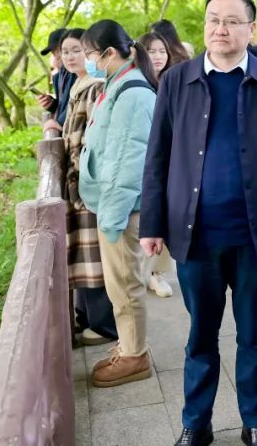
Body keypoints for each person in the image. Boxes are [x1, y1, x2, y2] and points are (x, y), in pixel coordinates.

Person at [140, 0, 257, 446]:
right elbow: (157, 157)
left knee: (252, 334)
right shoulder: (177, 81)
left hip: (255, 237)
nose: (221, 28)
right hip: (195, 237)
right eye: (214, 19)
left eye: (232, 21)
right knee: (200, 335)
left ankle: (255, 422)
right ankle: (197, 423)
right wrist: (152, 224)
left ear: (251, 29)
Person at [78, 20, 158, 389]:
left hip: (122, 209)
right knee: (120, 284)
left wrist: (111, 217)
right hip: (115, 205)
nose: (88, 62)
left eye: (90, 55)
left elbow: (126, 164)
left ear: (110, 53)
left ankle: (135, 355)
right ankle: (129, 345)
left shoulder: (132, 94)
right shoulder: (117, 84)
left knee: (125, 284)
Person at [59, 28, 119, 346]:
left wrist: (84, 176)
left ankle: (105, 325)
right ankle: (87, 316)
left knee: (93, 253)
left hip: (87, 183)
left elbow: (96, 139)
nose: (70, 56)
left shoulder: (95, 86)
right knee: (82, 251)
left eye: (77, 50)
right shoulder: (77, 84)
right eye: (65, 51)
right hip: (76, 183)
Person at [138, 31, 190, 300]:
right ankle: (145, 273)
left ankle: (157, 274)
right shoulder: (138, 84)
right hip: (144, 162)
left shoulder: (174, 80)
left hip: (171, 162)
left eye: (162, 51)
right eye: (151, 51)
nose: (158, 56)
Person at [38, 28, 76, 131]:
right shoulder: (58, 77)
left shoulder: (78, 71)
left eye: (57, 50)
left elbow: (78, 101)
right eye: (53, 52)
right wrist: (51, 104)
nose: (55, 55)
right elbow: (63, 104)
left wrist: (59, 122)